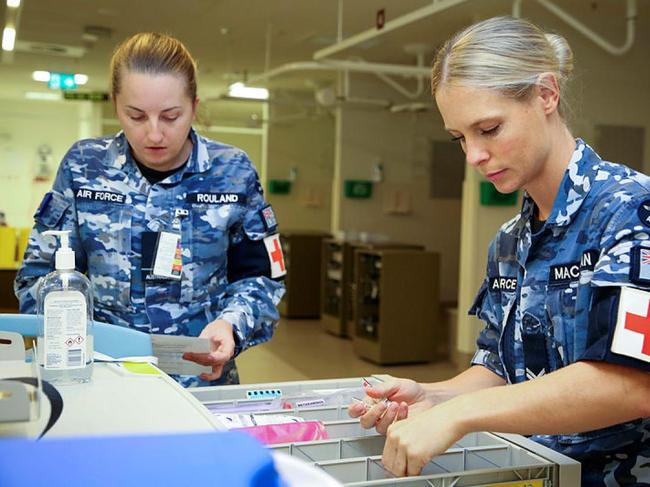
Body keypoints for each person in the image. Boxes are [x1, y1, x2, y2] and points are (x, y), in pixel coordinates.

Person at [349, 16, 650, 485]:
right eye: (460, 138)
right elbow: (497, 366)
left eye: (488, 129)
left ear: (546, 95)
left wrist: (461, 415)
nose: (473, 156)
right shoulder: (511, 240)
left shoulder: (631, 211)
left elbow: (630, 382)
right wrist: (431, 397)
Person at [15, 32, 286, 387]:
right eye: (137, 116)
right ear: (116, 105)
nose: (154, 134)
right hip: (100, 378)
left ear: (194, 106)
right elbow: (38, 276)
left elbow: (263, 277)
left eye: (171, 116)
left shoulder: (232, 172)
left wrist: (231, 324)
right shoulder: (85, 167)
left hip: (199, 379)